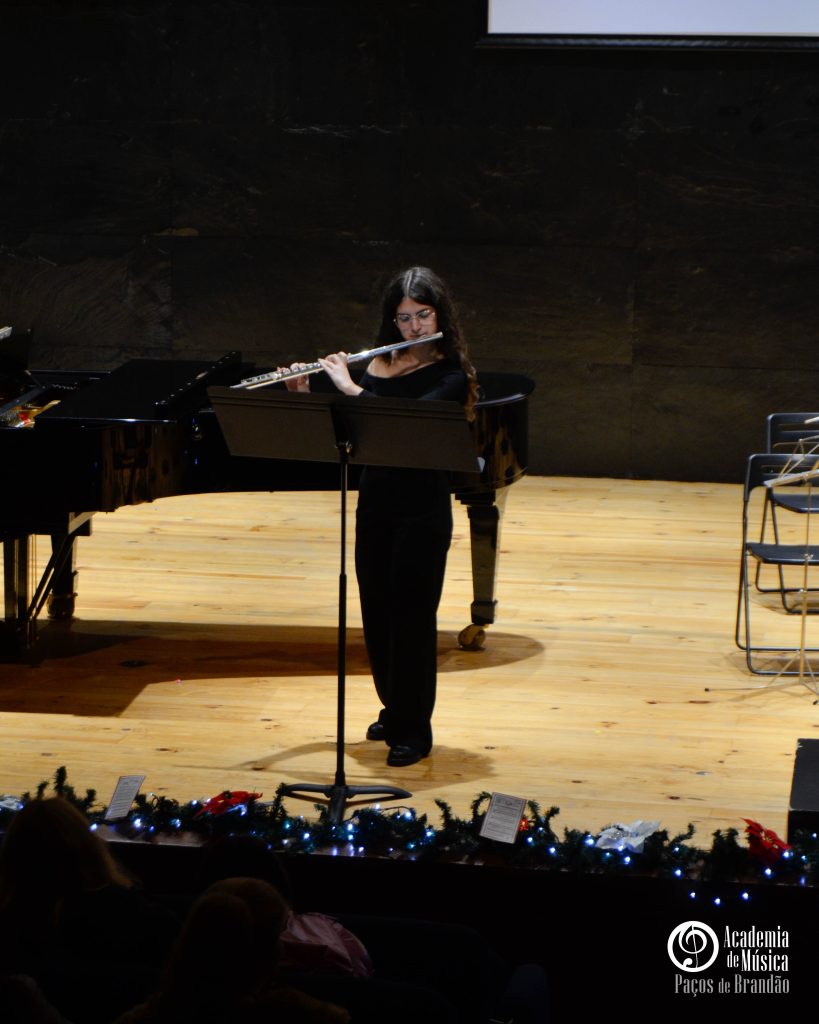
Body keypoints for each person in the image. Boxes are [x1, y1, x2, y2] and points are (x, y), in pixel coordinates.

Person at [284, 267, 478, 767]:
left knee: (412, 618)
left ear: (440, 315)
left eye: (422, 315)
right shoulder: (376, 366)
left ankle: (415, 730)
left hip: (421, 509)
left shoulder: (450, 376)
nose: (413, 327)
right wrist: (305, 395)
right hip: (375, 502)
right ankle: (394, 709)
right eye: (404, 318)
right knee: (377, 614)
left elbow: (401, 427)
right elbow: (346, 435)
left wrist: (349, 388)